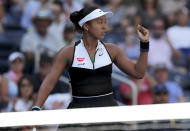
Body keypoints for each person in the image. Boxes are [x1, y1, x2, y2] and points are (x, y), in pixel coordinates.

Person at [32, 6, 150, 110]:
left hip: (108, 110)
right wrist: (36, 108)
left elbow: (138, 73)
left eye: (105, 22)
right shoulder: (67, 52)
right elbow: (49, 82)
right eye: (100, 22)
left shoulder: (113, 50)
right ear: (86, 26)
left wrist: (144, 44)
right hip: (79, 111)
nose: (105, 27)